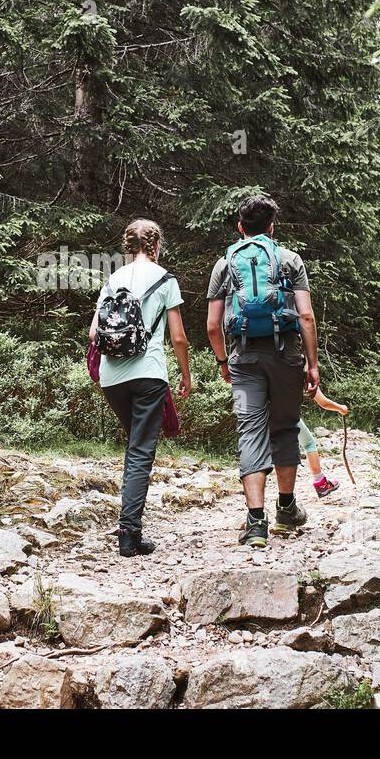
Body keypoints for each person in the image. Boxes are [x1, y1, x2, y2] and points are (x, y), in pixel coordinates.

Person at [205, 195, 320, 548]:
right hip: (286, 357)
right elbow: (306, 317)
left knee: (250, 431)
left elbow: (212, 325)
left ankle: (256, 523)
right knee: (284, 426)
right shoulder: (289, 260)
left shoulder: (225, 264)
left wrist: (224, 362)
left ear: (240, 227)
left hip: (242, 360)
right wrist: (312, 364)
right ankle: (286, 511)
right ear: (272, 227)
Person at [89, 219, 191, 557]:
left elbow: (93, 334)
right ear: (156, 245)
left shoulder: (113, 279)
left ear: (129, 246)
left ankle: (131, 527)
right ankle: (129, 535)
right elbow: (178, 337)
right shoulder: (165, 280)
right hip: (148, 374)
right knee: (140, 452)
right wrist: (186, 374)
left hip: (112, 377)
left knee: (136, 447)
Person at [297, 389, 348, 495]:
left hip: (260, 414)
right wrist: (341, 408)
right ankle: (321, 483)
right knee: (308, 444)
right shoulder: (306, 373)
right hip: (287, 414)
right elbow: (323, 402)